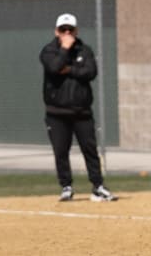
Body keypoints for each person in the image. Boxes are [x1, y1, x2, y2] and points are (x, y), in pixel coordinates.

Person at [39, 13, 117, 202]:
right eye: (63, 29)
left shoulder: (84, 50)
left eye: (70, 30)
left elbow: (90, 72)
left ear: (76, 31)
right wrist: (65, 50)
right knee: (61, 151)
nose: (67, 33)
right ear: (56, 31)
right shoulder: (49, 51)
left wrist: (69, 69)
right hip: (56, 113)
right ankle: (66, 186)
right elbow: (54, 67)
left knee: (90, 150)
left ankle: (98, 186)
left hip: (82, 112)